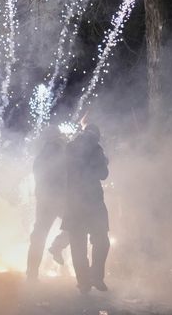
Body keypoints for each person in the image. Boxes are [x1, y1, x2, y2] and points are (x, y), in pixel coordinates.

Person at [61, 123, 110, 293]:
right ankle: (96, 277)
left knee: (78, 245)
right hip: (93, 201)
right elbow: (103, 174)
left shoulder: (70, 147)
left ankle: (83, 282)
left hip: (74, 203)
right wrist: (104, 162)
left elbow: (64, 172)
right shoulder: (96, 149)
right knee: (101, 241)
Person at [26, 126, 70, 281]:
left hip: (44, 199)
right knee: (75, 225)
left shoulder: (42, 154)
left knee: (39, 235)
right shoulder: (61, 151)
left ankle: (31, 273)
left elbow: (39, 174)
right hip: (58, 199)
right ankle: (57, 246)